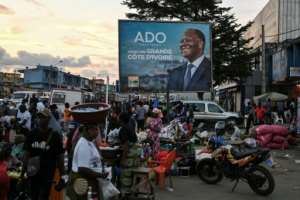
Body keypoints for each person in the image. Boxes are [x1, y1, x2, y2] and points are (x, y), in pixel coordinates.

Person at [22, 109, 66, 200]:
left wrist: (63, 177)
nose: (40, 119)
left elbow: (60, 159)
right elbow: (26, 155)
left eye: (43, 117)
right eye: (39, 117)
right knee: (33, 196)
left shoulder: (55, 136)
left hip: (48, 174)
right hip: (33, 174)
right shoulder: (31, 134)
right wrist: (23, 174)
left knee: (44, 196)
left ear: (49, 119)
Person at [68, 123, 108, 200]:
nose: (97, 132)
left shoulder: (90, 142)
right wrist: (100, 175)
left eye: (97, 129)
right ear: (87, 130)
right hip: (83, 182)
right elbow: (82, 169)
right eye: (94, 129)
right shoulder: (83, 144)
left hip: (89, 181)